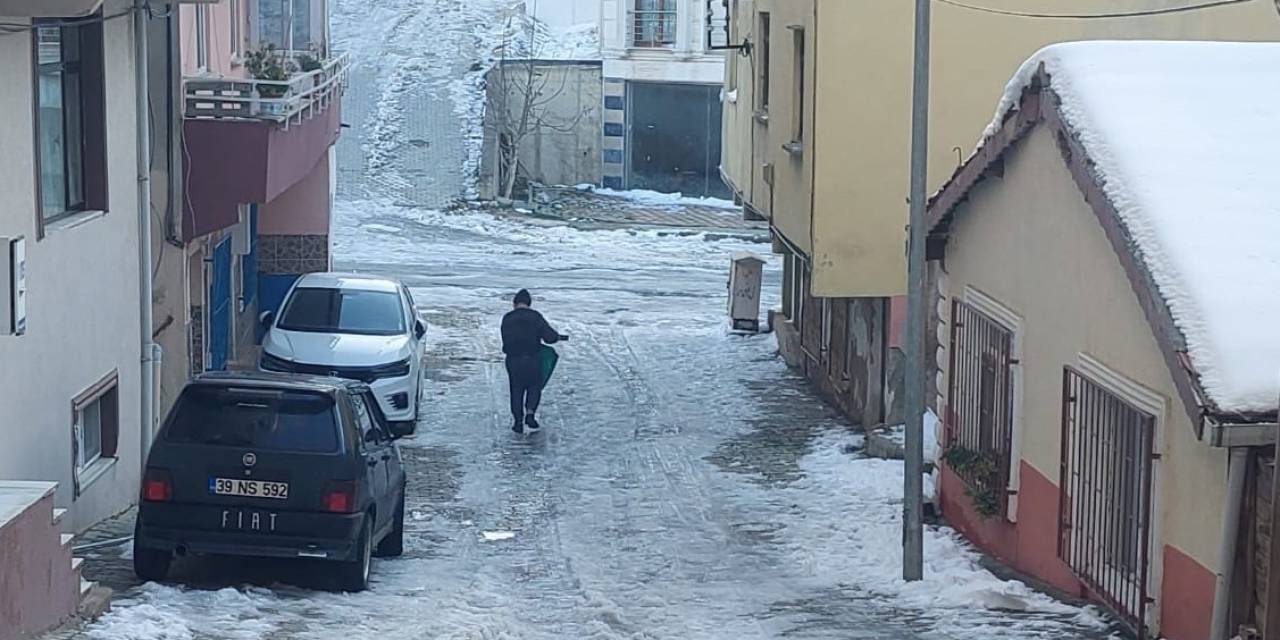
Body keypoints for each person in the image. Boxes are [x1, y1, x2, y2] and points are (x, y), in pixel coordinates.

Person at [501, 289, 566, 434]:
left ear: (514, 303)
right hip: (532, 358)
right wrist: (558, 337)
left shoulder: (507, 318)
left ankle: (518, 421)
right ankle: (530, 413)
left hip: (513, 360)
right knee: (534, 386)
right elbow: (549, 337)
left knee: (516, 388)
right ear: (529, 303)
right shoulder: (535, 316)